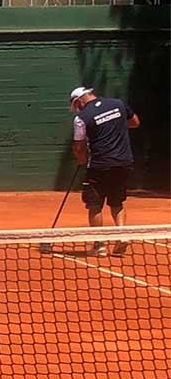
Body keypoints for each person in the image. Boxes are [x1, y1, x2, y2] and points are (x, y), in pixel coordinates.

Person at [70, 86, 140, 256]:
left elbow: (79, 147)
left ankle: (99, 245)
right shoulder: (118, 104)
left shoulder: (81, 118)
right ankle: (122, 237)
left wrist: (82, 161)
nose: (77, 109)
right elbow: (135, 122)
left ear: (79, 101)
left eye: (76, 105)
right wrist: (114, 129)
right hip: (124, 163)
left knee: (94, 206)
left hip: (99, 166)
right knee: (117, 203)